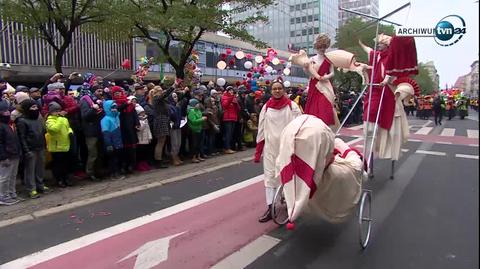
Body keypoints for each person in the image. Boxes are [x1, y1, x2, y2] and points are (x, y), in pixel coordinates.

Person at [254, 79, 302, 222]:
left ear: (283, 90)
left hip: (287, 149)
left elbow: (299, 127)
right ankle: (271, 208)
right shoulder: (266, 107)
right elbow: (261, 129)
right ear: (271, 91)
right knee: (270, 179)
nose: (277, 91)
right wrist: (258, 151)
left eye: (279, 88)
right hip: (270, 149)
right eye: (274, 89)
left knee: (287, 178)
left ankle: (290, 206)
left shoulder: (292, 106)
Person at [303, 33, 339, 131]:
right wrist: (306, 68)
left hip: (325, 85)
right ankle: (314, 127)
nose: (322, 49)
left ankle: (326, 127)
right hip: (314, 84)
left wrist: (325, 77)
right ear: (317, 46)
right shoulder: (311, 59)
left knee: (325, 105)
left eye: (324, 46)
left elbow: (332, 73)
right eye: (320, 46)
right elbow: (308, 73)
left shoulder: (329, 59)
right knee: (313, 105)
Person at [16, 100, 49, 198]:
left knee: (40, 168)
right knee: (30, 170)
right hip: (31, 148)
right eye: (33, 107)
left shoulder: (39, 119)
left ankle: (40, 185)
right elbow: (22, 137)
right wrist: (26, 150)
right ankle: (31, 188)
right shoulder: (22, 121)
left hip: (40, 146)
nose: (35, 109)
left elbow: (43, 132)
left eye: (36, 107)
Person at [46, 101, 74, 187]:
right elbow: (54, 129)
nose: (58, 113)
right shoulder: (49, 121)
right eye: (56, 111)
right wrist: (60, 120)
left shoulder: (64, 119)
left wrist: (70, 132)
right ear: (51, 112)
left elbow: (68, 127)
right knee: (58, 164)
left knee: (66, 163)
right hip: (56, 146)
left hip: (65, 144)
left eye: (59, 110)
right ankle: (59, 180)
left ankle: (66, 178)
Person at [0, 101, 21, 205]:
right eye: (4, 111)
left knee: (13, 175)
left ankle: (12, 193)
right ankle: (3, 196)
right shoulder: (1, 126)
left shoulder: (9, 125)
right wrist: (3, 156)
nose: (7, 113)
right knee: (5, 177)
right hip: (6, 155)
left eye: (8, 110)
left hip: (14, 153)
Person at [101, 100, 125, 180]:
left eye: (115, 107)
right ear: (108, 108)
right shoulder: (105, 120)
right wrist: (109, 144)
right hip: (111, 142)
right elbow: (105, 133)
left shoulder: (116, 117)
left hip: (118, 141)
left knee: (117, 159)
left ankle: (117, 172)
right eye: (112, 107)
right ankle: (113, 174)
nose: (115, 109)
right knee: (112, 160)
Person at [187, 98, 207, 163]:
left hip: (199, 129)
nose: (198, 105)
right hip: (194, 130)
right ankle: (193, 157)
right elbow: (193, 121)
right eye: (197, 104)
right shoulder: (191, 111)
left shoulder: (199, 111)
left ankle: (198, 156)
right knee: (194, 144)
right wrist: (202, 119)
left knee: (199, 144)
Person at [221, 86, 239, 154]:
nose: (231, 92)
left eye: (232, 91)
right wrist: (231, 98)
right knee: (227, 134)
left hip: (233, 117)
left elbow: (237, 109)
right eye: (230, 91)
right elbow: (225, 105)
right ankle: (226, 148)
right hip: (227, 117)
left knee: (231, 134)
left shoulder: (234, 98)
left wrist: (236, 103)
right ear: (227, 91)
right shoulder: (224, 97)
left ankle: (229, 147)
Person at [135, 104, 153, 171]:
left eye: (143, 112)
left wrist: (150, 137)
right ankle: (140, 164)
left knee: (145, 152)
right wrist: (143, 121)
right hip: (140, 139)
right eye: (141, 113)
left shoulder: (145, 119)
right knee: (140, 153)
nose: (143, 114)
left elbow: (148, 129)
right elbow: (139, 128)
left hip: (146, 139)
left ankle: (145, 163)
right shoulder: (138, 120)